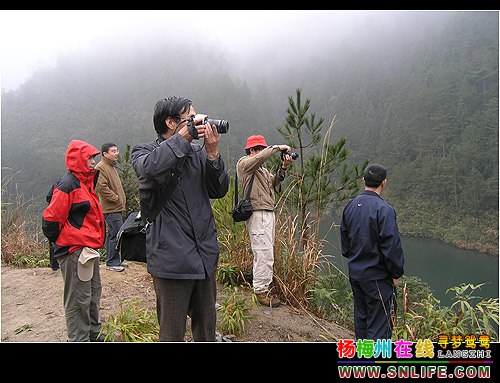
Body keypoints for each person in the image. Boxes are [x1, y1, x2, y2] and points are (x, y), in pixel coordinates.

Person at [131, 96, 229, 342]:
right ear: (171, 122)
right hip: (171, 260)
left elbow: (219, 190)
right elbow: (150, 171)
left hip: (204, 256)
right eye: (191, 119)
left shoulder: (197, 154)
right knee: (172, 334)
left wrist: (213, 154)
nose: (198, 123)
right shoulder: (145, 152)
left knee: (206, 331)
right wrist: (183, 139)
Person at [42, 139, 106, 342]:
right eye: (90, 158)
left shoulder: (86, 182)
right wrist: (64, 242)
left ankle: (93, 334)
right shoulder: (69, 184)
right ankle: (79, 338)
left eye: (94, 158)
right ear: (78, 159)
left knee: (93, 291)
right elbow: (51, 219)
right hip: (74, 250)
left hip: (87, 249)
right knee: (78, 298)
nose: (93, 162)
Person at [340, 163, 404, 340]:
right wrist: (396, 273)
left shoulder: (350, 206)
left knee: (362, 320)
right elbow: (391, 246)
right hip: (377, 277)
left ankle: (362, 359)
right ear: (383, 183)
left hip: (356, 274)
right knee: (380, 325)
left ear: (363, 181)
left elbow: (345, 245)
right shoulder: (384, 209)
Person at [236, 135, 293, 307]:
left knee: (267, 252)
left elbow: (274, 182)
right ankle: (260, 291)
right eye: (258, 148)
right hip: (257, 212)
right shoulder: (244, 164)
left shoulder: (261, 170)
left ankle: (263, 287)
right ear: (251, 151)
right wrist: (276, 148)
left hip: (268, 211)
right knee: (262, 252)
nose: (261, 151)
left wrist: (283, 167)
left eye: (263, 148)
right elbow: (260, 158)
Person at [95, 142, 127, 272]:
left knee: (113, 234)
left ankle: (115, 260)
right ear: (105, 154)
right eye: (113, 151)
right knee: (116, 234)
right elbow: (101, 187)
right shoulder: (101, 167)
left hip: (116, 207)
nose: (116, 153)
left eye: (117, 150)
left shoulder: (111, 166)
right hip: (111, 207)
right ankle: (112, 262)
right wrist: (116, 199)